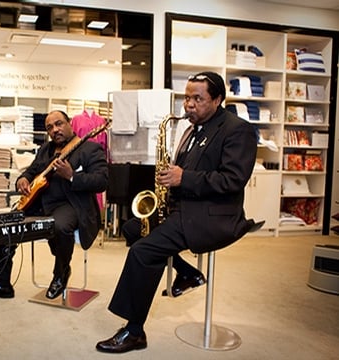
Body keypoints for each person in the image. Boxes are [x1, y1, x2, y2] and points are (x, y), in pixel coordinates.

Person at [96, 71, 260, 353]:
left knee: (143, 252)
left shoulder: (237, 130)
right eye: (187, 97)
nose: (189, 105)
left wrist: (184, 178)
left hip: (214, 215)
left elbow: (233, 180)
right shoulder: (194, 129)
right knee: (132, 229)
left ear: (218, 99)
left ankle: (134, 331)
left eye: (199, 99)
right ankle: (188, 273)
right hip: (185, 208)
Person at [0, 110, 108, 300]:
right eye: (50, 127)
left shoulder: (90, 149)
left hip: (71, 204)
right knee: (3, 225)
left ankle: (60, 274)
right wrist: (23, 179)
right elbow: (32, 170)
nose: (55, 130)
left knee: (59, 226)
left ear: (69, 123)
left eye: (59, 124)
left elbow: (102, 181)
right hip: (39, 202)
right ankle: (2, 284)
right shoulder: (46, 149)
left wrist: (71, 176)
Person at [120, 217, 205, 297]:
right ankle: (187, 271)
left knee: (152, 242)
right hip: (164, 212)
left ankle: (188, 272)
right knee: (129, 228)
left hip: (180, 216)